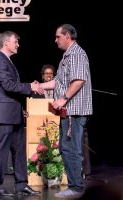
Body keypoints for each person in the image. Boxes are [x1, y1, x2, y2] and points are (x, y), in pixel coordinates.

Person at [39, 24, 93, 199]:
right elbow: (58, 82)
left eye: (57, 37)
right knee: (65, 148)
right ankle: (74, 185)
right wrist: (39, 86)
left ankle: (77, 188)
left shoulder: (77, 53)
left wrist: (63, 98)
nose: (55, 40)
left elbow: (79, 80)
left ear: (67, 35)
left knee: (72, 149)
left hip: (74, 110)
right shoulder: (66, 56)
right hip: (67, 111)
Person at [0, 31, 42, 197]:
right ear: (6, 43)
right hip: (4, 115)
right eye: (15, 42)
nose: (18, 45)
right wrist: (30, 87)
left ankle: (21, 185)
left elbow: (11, 89)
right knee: (2, 151)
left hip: (14, 113)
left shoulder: (7, 61)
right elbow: (8, 86)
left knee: (19, 151)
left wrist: (20, 109)